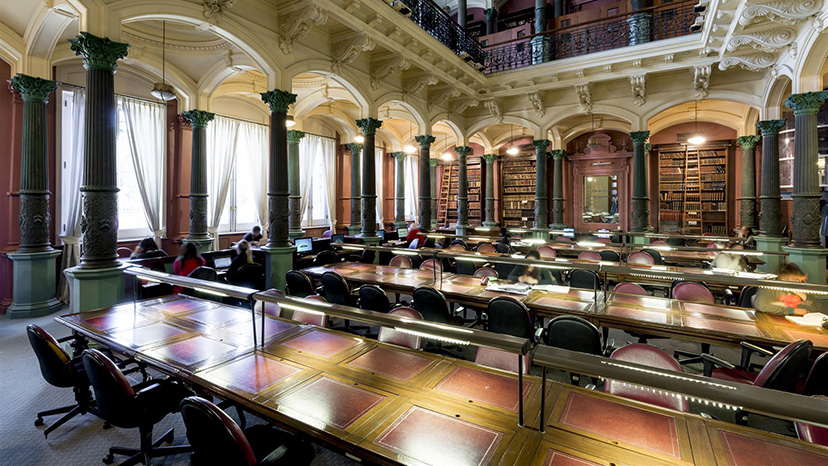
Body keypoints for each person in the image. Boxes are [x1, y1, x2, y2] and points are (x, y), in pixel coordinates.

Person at [754, 263, 826, 315]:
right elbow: (761, 305)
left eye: (797, 280)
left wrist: (803, 295)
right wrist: (792, 310)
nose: (795, 282)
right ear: (782, 278)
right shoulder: (771, 286)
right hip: (774, 322)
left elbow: (816, 309)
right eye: (791, 279)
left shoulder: (800, 289)